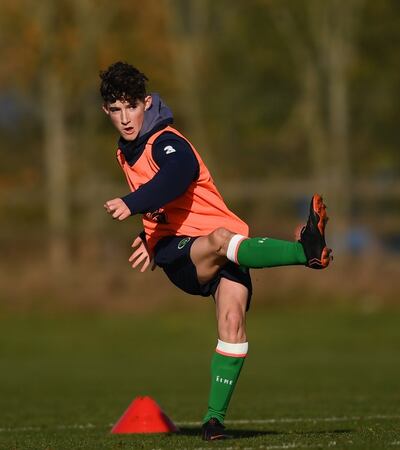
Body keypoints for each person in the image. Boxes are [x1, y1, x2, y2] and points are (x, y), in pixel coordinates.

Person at [99, 61, 332, 441]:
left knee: (233, 324)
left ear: (146, 103)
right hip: (180, 252)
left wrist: (135, 204)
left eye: (131, 106)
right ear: (105, 111)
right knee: (221, 239)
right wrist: (149, 230)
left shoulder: (165, 139)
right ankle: (303, 250)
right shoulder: (129, 149)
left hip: (229, 249)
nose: (125, 118)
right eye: (116, 110)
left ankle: (213, 422)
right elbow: (169, 198)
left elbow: (179, 174)